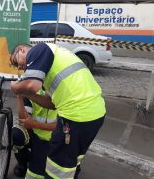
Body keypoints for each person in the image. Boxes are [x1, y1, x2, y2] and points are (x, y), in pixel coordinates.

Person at [10, 43, 106, 179]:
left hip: (75, 117)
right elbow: (52, 104)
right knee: (68, 164)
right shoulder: (53, 57)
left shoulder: (39, 49)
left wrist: (15, 87)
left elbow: (31, 85)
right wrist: (26, 95)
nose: (20, 67)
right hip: (95, 114)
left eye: (16, 62)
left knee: (56, 172)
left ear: (21, 50)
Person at [12, 89, 57, 178]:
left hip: (55, 138)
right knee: (16, 134)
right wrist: (19, 97)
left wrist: (35, 124)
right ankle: (22, 163)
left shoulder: (62, 93)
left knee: (42, 174)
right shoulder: (33, 89)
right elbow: (23, 120)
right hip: (35, 135)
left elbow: (63, 126)